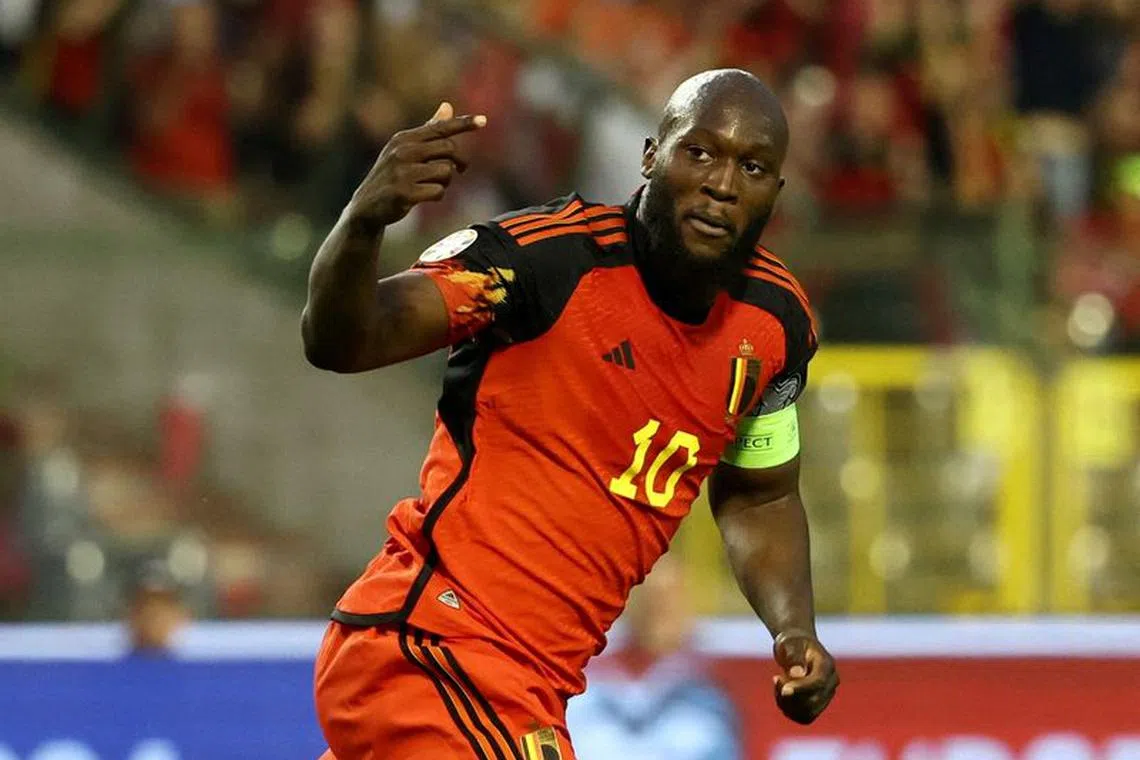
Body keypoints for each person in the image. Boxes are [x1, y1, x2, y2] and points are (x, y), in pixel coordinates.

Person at [303, 68, 839, 760]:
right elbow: (343, 339)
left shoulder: (776, 328)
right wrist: (363, 220)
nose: (722, 183)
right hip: (431, 651)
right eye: (699, 152)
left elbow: (761, 493)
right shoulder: (540, 262)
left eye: (754, 166)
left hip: (528, 688)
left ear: (776, 194)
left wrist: (793, 629)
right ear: (651, 156)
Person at [566, 554, 743, 760]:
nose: (658, 611)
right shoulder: (587, 690)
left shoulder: (709, 702)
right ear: (628, 603)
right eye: (650, 599)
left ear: (685, 605)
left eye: (668, 598)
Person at [124, 559, 190, 656]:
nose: (152, 616)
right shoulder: (108, 668)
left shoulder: (196, 668)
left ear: (178, 616)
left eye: (163, 606)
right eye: (143, 606)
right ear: (130, 614)